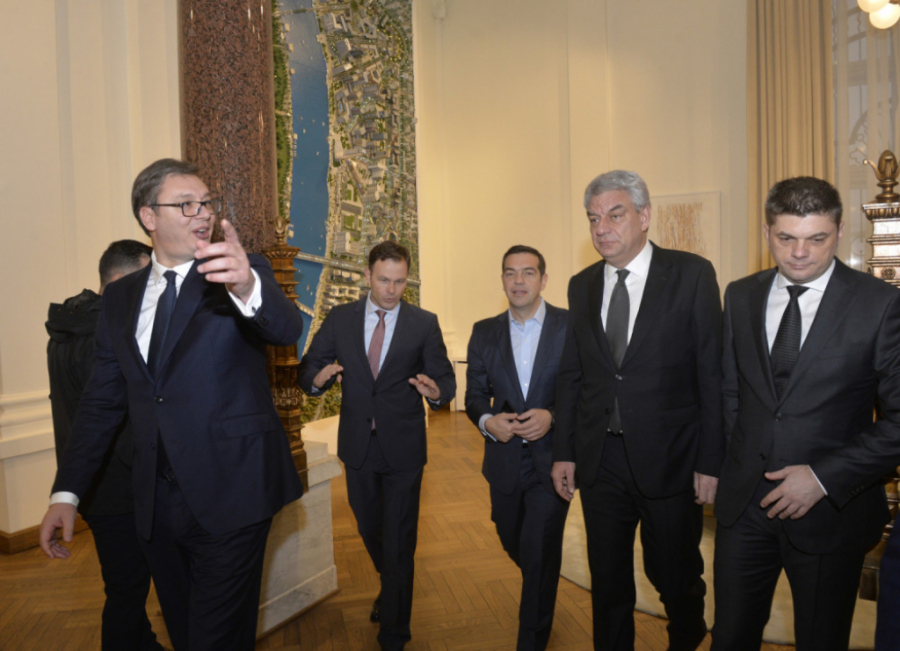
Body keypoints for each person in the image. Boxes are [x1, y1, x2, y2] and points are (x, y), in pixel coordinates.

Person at [39, 158, 304, 651]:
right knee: (184, 633)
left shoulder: (237, 270)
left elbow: (287, 328)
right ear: (149, 217)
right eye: (186, 204)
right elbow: (101, 402)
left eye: (206, 203)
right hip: (155, 506)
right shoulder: (120, 298)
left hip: (234, 493)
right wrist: (66, 493)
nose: (202, 213)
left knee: (215, 639)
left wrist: (247, 286)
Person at [712, 176, 900, 651]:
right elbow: (731, 392)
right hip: (744, 508)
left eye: (816, 239)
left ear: (839, 231)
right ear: (766, 232)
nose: (799, 253)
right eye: (785, 238)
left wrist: (821, 478)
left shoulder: (880, 305)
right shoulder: (740, 295)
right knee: (729, 638)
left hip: (830, 511)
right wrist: (729, 466)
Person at [552, 170, 724, 651]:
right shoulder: (582, 285)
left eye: (615, 215)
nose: (602, 228)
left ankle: (687, 634)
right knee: (607, 580)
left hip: (671, 458)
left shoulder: (691, 275)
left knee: (673, 573)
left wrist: (711, 461)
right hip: (600, 459)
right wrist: (564, 451)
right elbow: (572, 375)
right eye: (593, 219)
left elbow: (712, 375)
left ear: (644, 216)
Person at [298, 241, 455, 650]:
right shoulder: (340, 318)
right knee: (370, 528)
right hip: (357, 447)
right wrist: (317, 379)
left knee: (400, 539)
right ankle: (392, 584)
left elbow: (445, 380)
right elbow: (309, 366)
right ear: (367, 276)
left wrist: (437, 391)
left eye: (399, 282)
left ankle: (394, 633)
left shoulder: (423, 323)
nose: (391, 290)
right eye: (384, 280)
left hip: (403, 448)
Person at [46, 239, 163, 651]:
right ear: (122, 279)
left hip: (90, 483)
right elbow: (113, 417)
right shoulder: (107, 331)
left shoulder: (66, 326)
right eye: (147, 280)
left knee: (125, 584)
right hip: (120, 487)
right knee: (128, 591)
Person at [465, 245, 570, 651]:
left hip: (553, 461)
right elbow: (475, 394)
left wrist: (553, 416)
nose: (519, 281)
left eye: (528, 272)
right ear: (502, 280)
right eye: (511, 273)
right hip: (504, 459)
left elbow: (586, 392)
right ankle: (542, 586)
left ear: (544, 279)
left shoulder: (571, 326)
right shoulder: (483, 331)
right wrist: (487, 421)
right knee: (512, 538)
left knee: (539, 548)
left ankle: (532, 638)